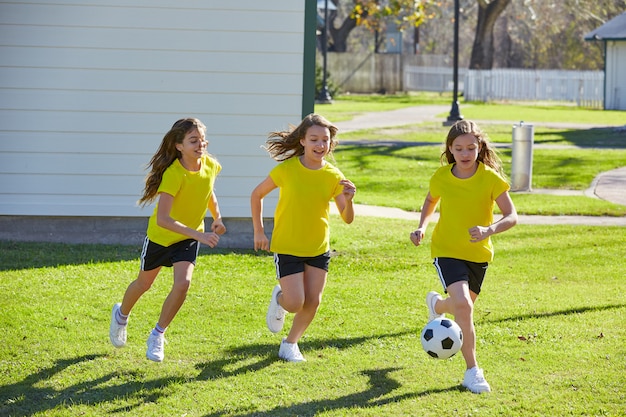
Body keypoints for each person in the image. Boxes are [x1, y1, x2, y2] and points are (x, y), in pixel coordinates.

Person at [409, 120, 518, 393]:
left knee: (461, 306)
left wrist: (488, 230)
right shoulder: (441, 176)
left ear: (480, 147)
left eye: (471, 147)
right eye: (459, 148)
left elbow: (512, 216)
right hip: (446, 249)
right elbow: (430, 200)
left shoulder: (491, 178)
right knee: (466, 309)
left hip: (478, 254)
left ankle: (438, 306)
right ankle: (473, 371)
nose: (466, 153)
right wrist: (421, 226)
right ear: (450, 149)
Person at [109, 117, 226, 362]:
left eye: (202, 139)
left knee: (183, 284)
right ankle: (121, 314)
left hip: (188, 238)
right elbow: (163, 219)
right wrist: (200, 235)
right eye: (193, 140)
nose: (200, 144)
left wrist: (218, 217)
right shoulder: (174, 175)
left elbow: (208, 190)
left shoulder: (211, 165)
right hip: (161, 237)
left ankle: (158, 334)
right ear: (178, 146)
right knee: (144, 284)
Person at [250, 113, 356, 362]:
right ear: (303, 142)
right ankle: (280, 297)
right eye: (314, 139)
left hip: (318, 247)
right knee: (296, 302)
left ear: (330, 143)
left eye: (325, 140)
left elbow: (347, 218)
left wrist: (349, 201)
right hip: (287, 245)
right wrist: (258, 230)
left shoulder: (333, 175)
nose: (320, 145)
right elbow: (257, 195)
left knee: (313, 301)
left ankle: (290, 344)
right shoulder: (287, 170)